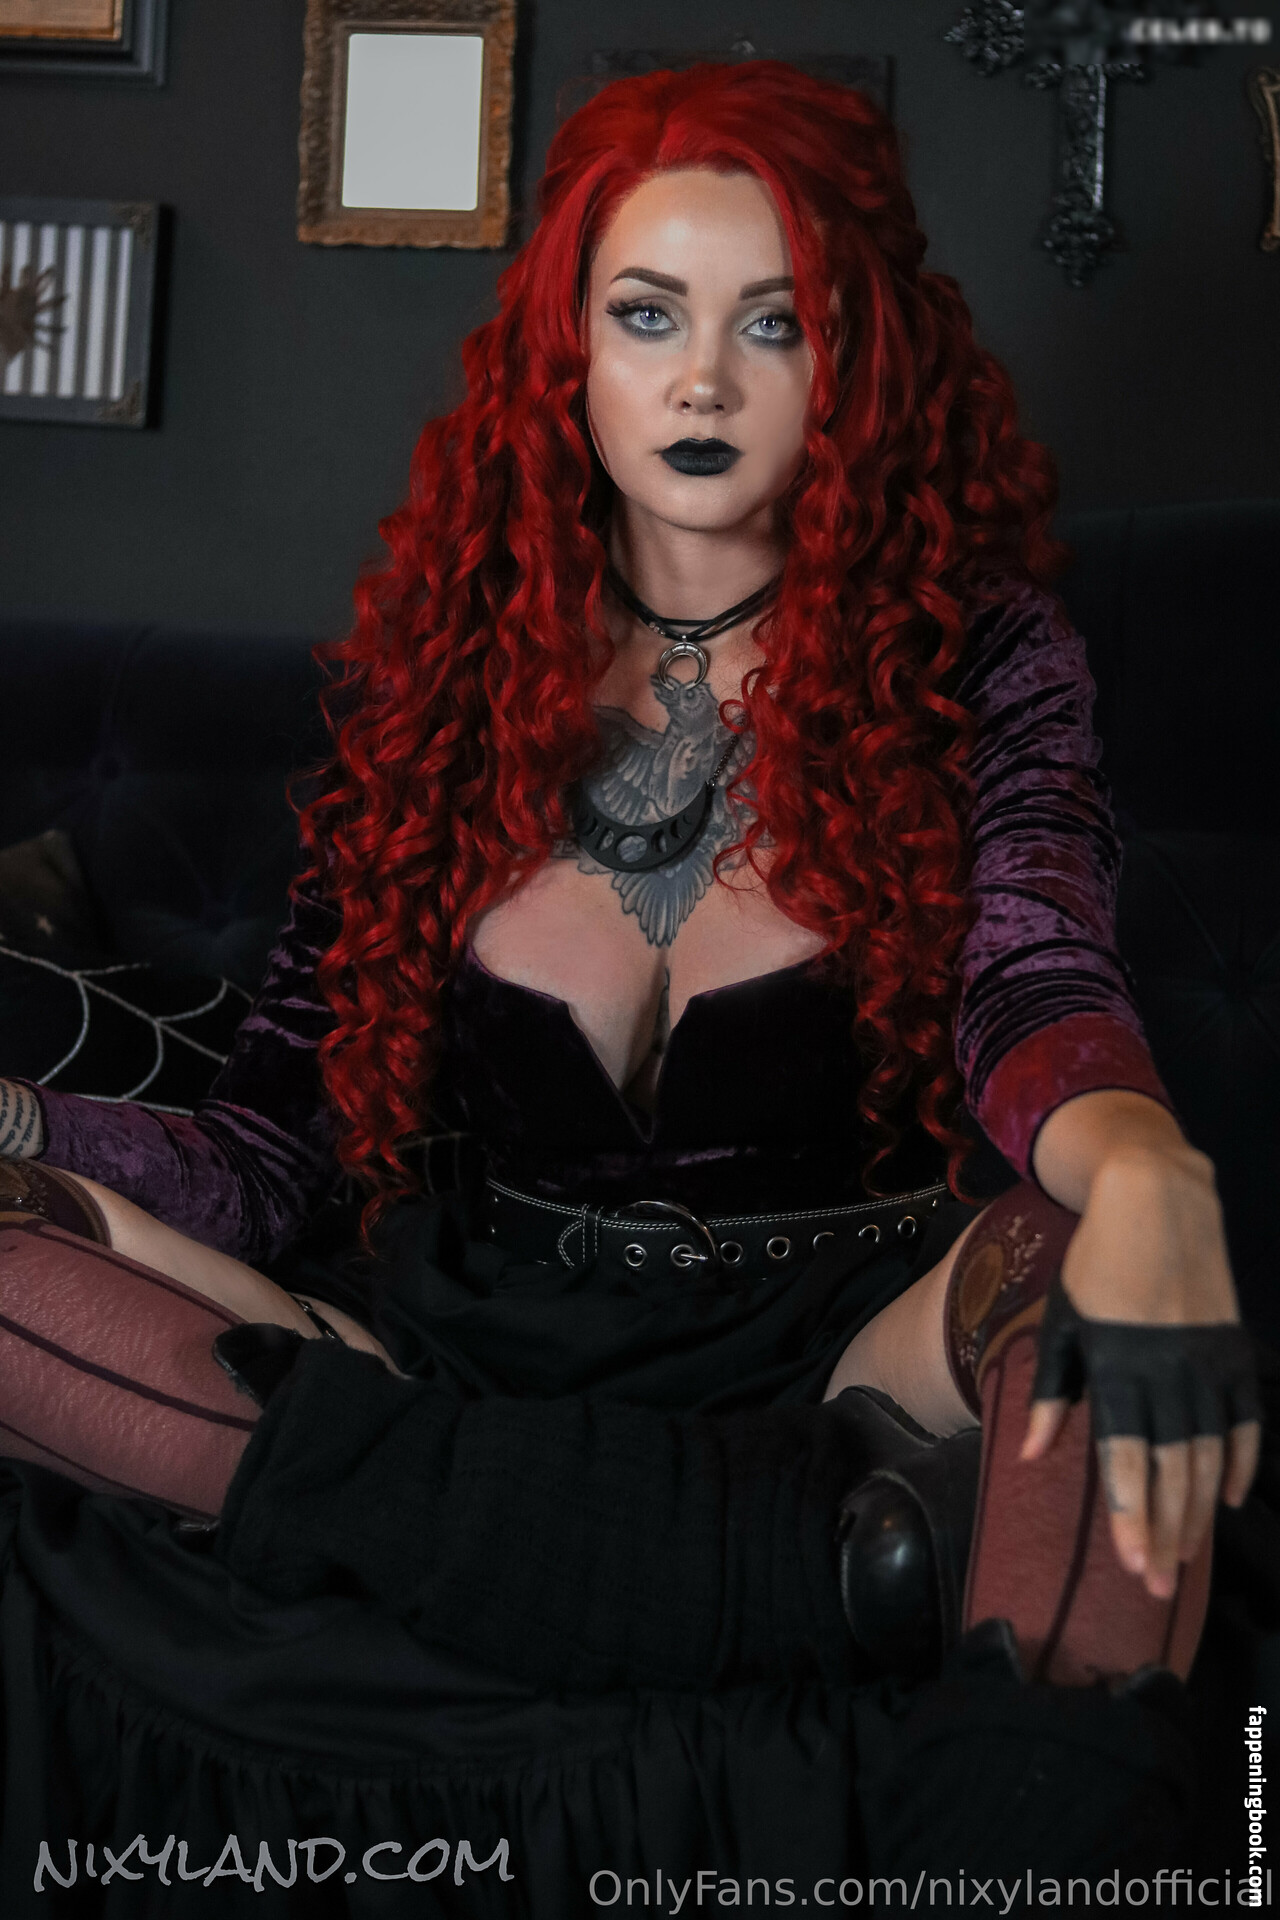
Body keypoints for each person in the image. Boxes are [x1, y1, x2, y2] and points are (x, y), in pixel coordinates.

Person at [0, 60, 1264, 1914]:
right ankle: (798, 1577)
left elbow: (1035, 968)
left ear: (857, 362)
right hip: (469, 1367)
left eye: (777, 323)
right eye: (649, 315)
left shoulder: (980, 659)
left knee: (1087, 1275)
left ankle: (573, 1576)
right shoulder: (446, 677)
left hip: (839, 1366)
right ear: (566, 355)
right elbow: (270, 1153)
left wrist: (1144, 1160)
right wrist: (19, 1118)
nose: (704, 382)